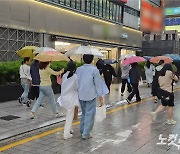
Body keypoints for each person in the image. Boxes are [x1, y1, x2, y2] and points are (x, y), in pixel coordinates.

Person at [76, 54, 103, 140]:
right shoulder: (94, 70)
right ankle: (86, 133)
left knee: (84, 113)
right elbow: (98, 84)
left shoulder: (78, 69)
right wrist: (100, 96)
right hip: (90, 94)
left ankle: (82, 130)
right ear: (92, 60)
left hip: (80, 94)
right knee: (90, 114)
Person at [57, 61, 79, 140]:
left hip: (63, 98)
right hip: (71, 99)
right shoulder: (75, 76)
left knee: (68, 115)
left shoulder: (64, 75)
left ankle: (70, 129)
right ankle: (66, 134)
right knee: (69, 116)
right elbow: (76, 87)